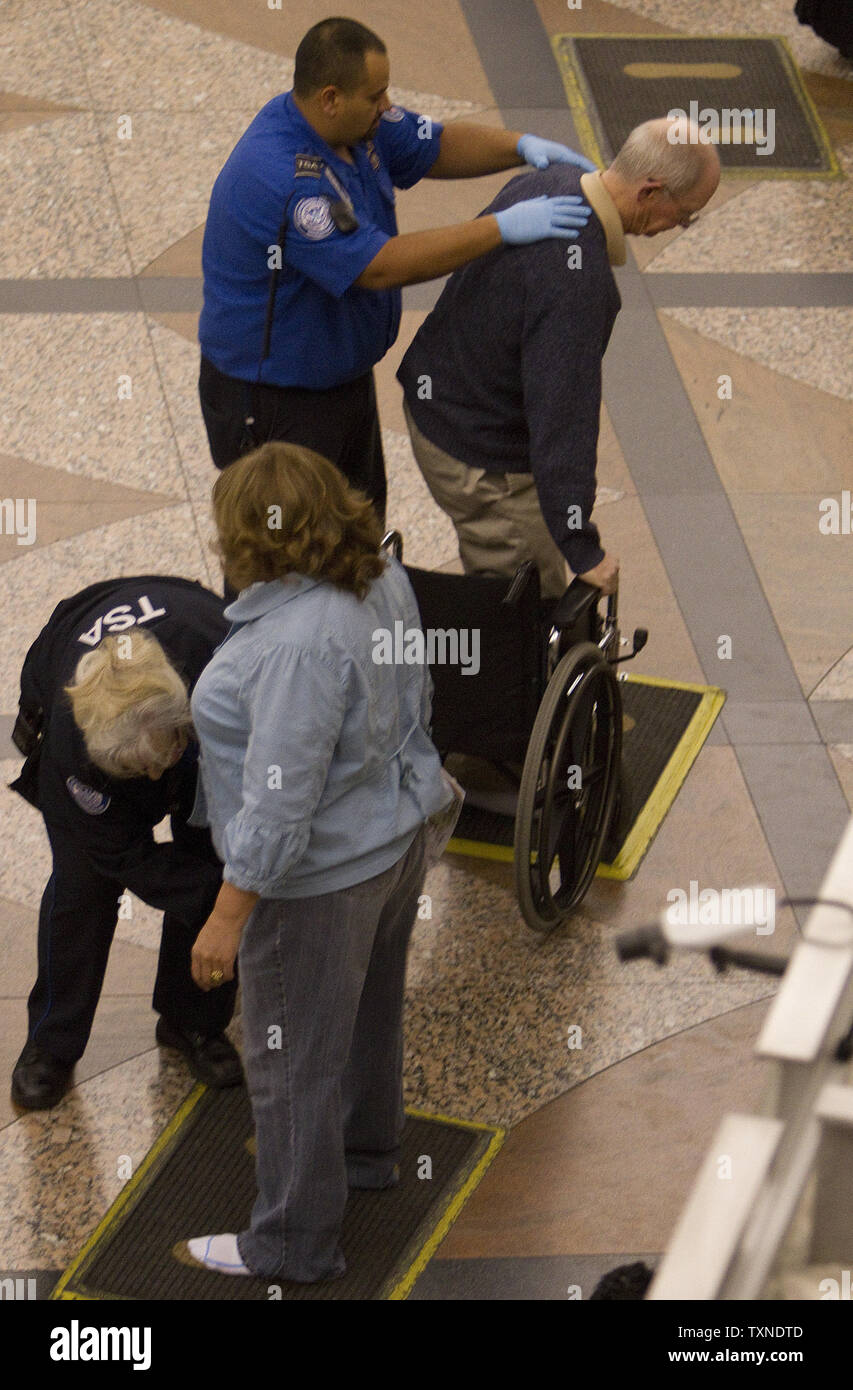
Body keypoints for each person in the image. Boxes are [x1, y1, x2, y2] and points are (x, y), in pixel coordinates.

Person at [174, 442, 451, 1283]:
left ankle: (293, 1244)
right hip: (397, 836)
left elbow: (280, 799)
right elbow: (419, 698)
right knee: (367, 1013)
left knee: (290, 1058)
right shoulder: (383, 577)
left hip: (318, 880)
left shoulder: (293, 645)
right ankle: (366, 1155)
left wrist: (227, 918)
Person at [198, 14, 596, 522]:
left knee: (358, 538)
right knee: (284, 558)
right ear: (330, 98)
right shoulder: (284, 180)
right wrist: (501, 227)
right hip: (275, 401)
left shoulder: (354, 122)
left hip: (339, 381)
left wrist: (520, 147)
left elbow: (434, 143)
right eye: (376, 96)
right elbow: (380, 266)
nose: (387, 106)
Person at [397, 117, 721, 599]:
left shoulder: (549, 183)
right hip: (480, 455)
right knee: (522, 606)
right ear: (651, 192)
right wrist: (580, 546)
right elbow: (563, 415)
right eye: (686, 214)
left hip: (440, 403)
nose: (681, 225)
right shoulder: (578, 278)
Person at [8, 576, 241, 1111]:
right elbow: (123, 856)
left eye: (158, 761)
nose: (153, 774)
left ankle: (193, 1022)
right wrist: (225, 900)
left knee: (213, 853)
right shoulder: (74, 745)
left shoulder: (227, 666)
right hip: (99, 726)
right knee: (83, 887)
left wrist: (230, 899)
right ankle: (51, 1041)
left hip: (193, 699)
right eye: (137, 769)